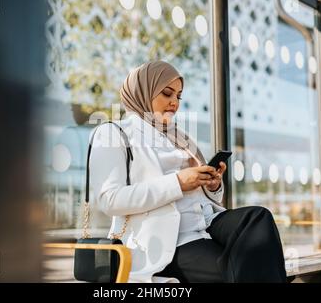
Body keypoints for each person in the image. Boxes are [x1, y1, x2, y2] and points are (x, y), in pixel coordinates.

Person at [89, 61, 287, 283]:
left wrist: (211, 185)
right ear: (142, 92)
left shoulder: (179, 137)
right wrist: (178, 183)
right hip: (170, 239)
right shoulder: (113, 133)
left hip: (207, 222)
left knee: (258, 218)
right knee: (239, 271)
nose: (174, 102)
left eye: (179, 96)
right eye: (166, 93)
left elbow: (200, 196)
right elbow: (110, 200)